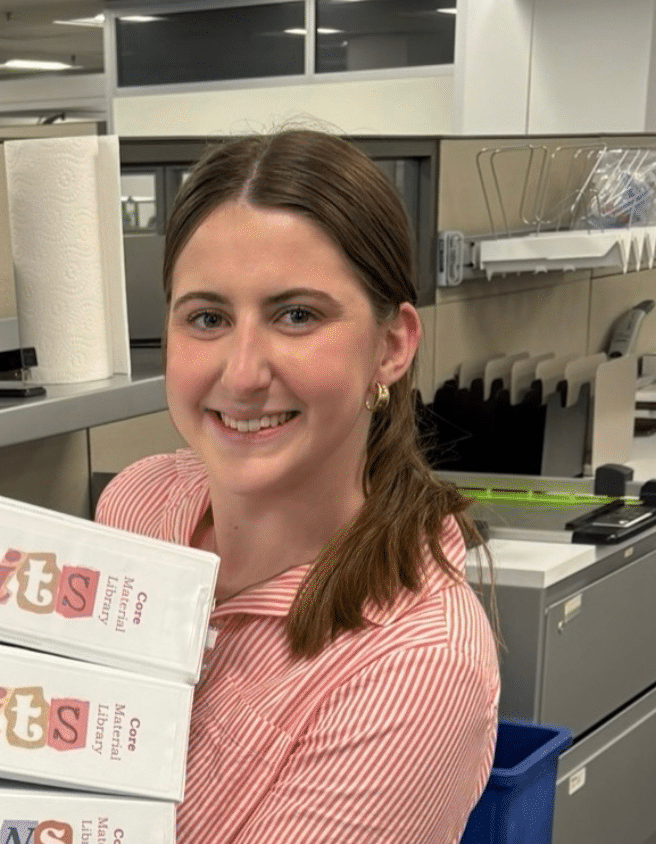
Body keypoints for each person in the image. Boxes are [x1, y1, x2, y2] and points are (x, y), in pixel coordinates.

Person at [95, 129, 500, 843]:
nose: (243, 372)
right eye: (208, 318)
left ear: (392, 345)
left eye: (297, 315)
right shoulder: (138, 506)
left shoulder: (418, 662)